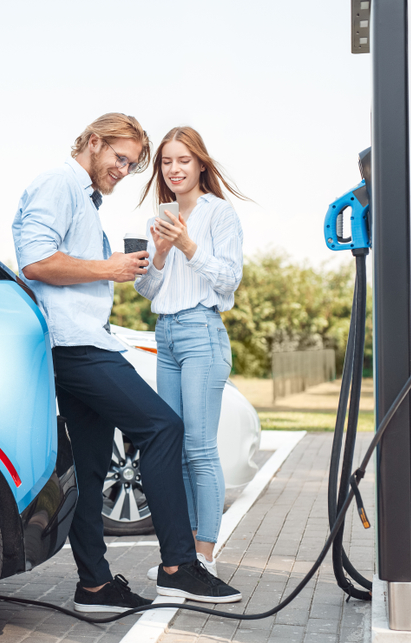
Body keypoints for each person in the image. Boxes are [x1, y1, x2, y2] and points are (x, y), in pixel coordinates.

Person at [12, 113, 241, 612]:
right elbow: (35, 262)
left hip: (82, 341)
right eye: (120, 158)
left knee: (90, 468)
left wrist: (132, 262)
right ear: (94, 142)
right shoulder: (59, 184)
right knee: (163, 428)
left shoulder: (85, 198)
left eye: (133, 164)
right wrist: (111, 266)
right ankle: (179, 567)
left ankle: (95, 586)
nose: (124, 170)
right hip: (77, 345)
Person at [134, 126, 246, 584]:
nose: (174, 169)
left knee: (200, 448)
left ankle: (205, 555)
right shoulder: (159, 219)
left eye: (183, 160)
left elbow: (230, 278)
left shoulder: (219, 213)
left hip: (202, 332)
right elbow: (146, 289)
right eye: (166, 162)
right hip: (166, 335)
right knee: (175, 447)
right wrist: (160, 253)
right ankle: (183, 556)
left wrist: (187, 246)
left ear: (200, 164)